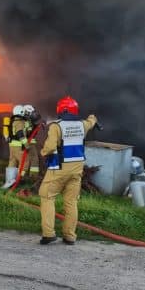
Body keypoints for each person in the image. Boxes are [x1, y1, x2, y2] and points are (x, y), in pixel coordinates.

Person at [38, 96, 97, 245]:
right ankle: (70, 236)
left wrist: (43, 152)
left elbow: (51, 147)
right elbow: (91, 122)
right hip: (77, 170)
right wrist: (93, 117)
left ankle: (49, 234)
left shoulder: (56, 127)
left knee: (47, 196)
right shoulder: (83, 125)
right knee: (71, 202)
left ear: (61, 110)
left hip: (59, 168)